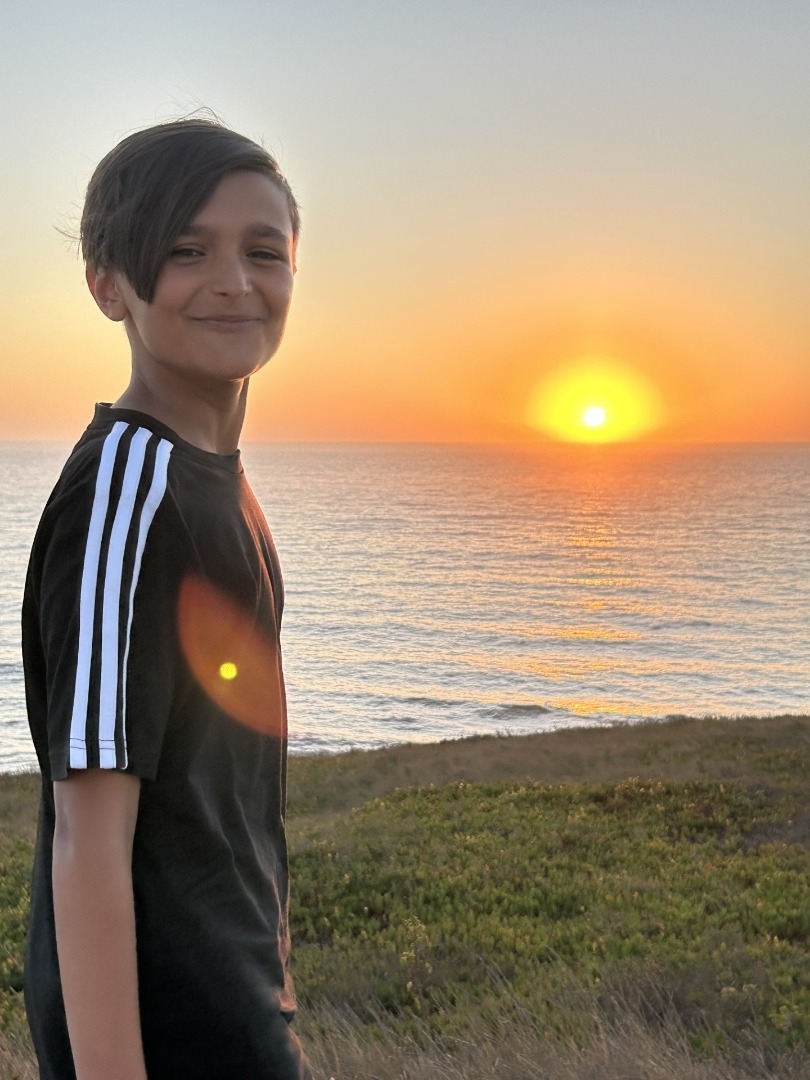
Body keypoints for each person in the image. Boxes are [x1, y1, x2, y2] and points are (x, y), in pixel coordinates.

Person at [22, 118, 312, 1080]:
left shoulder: (213, 480)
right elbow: (88, 837)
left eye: (263, 251)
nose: (234, 281)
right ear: (110, 284)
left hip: (240, 1015)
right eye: (187, 250)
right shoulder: (128, 494)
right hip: (168, 1044)